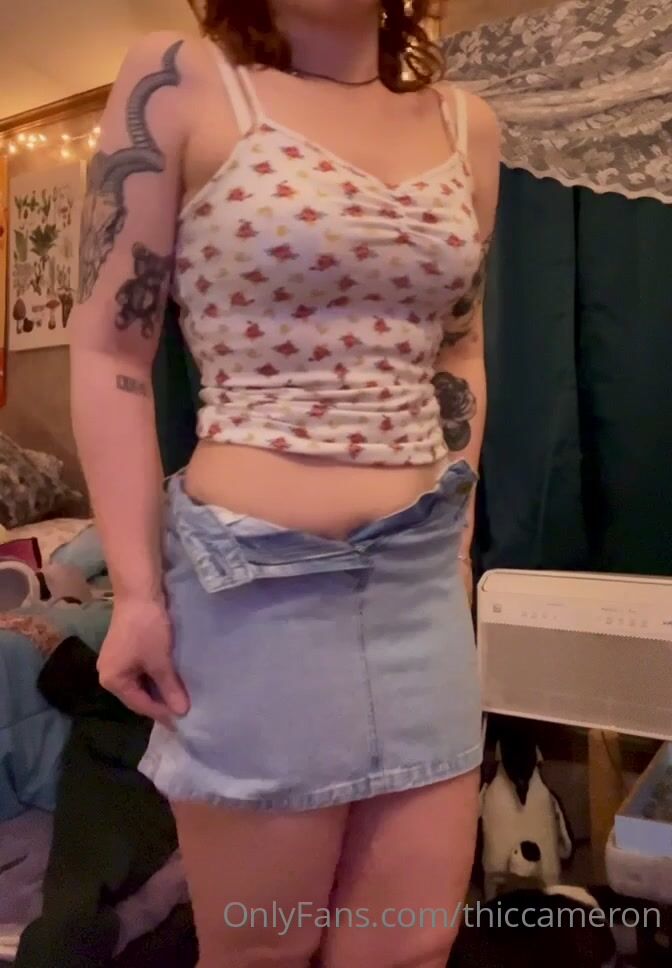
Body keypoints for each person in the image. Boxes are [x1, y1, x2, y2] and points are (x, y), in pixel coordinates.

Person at [69, 1, 500, 965]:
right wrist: (135, 593)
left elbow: (460, 348)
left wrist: (461, 539)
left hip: (419, 582)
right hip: (251, 588)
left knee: (411, 945)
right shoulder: (180, 79)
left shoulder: (468, 124)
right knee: (262, 950)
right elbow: (109, 353)